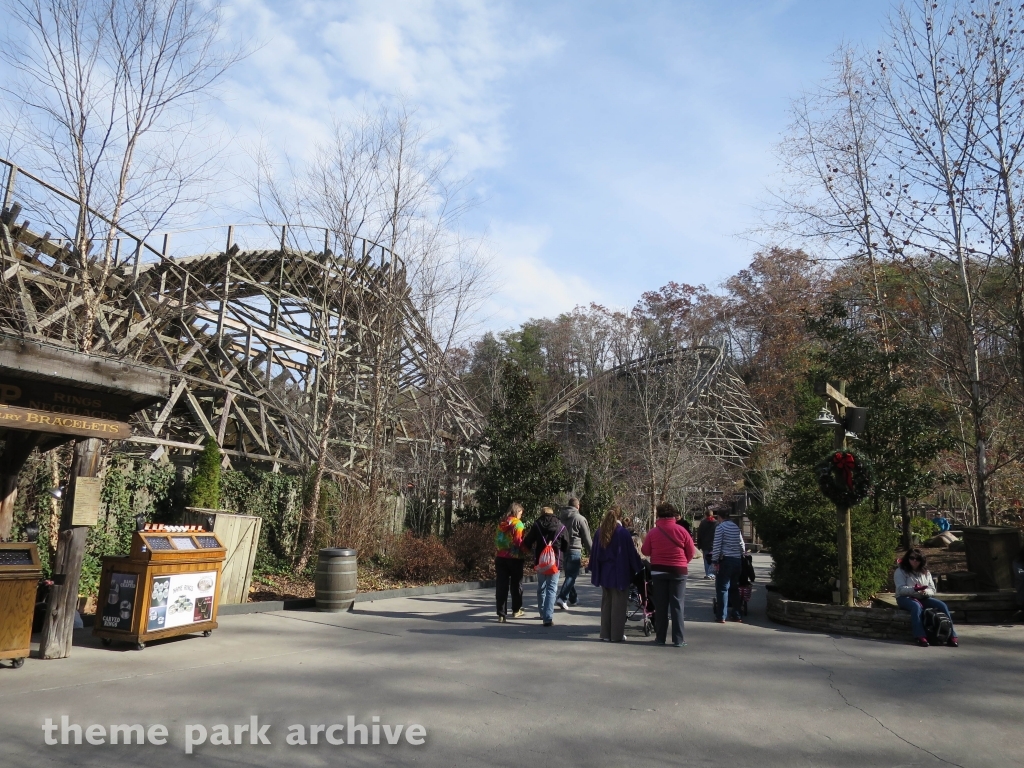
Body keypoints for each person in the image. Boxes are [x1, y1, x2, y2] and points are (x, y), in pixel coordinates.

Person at [641, 502, 696, 647]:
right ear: (673, 515)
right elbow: (691, 551)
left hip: (658, 570)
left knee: (661, 605)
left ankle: (660, 638)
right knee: (677, 605)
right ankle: (678, 639)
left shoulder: (653, 532)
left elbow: (645, 551)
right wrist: (683, 562)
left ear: (659, 515)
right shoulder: (681, 530)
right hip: (678, 570)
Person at [589, 507, 642, 642]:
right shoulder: (623, 533)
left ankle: (605, 633)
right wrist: (639, 567)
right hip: (620, 572)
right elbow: (631, 554)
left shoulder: (599, 532)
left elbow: (594, 553)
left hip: (604, 573)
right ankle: (616, 635)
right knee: (619, 605)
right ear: (620, 517)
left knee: (606, 603)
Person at [895, 548, 959, 647]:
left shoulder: (925, 572)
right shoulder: (901, 571)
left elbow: (932, 589)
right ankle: (920, 636)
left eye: (918, 559)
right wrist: (914, 589)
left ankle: (951, 635)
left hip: (922, 597)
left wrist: (925, 592)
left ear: (922, 560)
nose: (914, 561)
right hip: (905, 598)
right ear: (907, 558)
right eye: (912, 558)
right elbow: (900, 590)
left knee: (942, 605)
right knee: (916, 607)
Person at [522, 506, 569, 626]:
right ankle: (548, 617)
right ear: (552, 514)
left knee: (541, 586)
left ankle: (542, 612)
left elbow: (528, 541)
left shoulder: (537, 525)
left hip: (541, 561)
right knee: (551, 589)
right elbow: (566, 544)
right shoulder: (560, 526)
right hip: (555, 562)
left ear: (542, 514)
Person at [557, 497, 593, 610]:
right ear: (578, 506)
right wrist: (592, 552)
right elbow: (587, 538)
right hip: (575, 549)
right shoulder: (580, 519)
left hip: (564, 549)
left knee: (569, 575)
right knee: (572, 576)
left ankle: (573, 598)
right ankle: (562, 598)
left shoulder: (561, 518)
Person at [494, 502, 527, 623]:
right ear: (516, 512)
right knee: (516, 584)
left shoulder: (502, 523)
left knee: (501, 585)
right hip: (514, 557)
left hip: (501, 557)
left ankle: (501, 614)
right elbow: (518, 542)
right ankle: (516, 609)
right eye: (520, 513)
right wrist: (525, 550)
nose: (521, 516)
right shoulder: (518, 524)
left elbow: (497, 540)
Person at [712, 510, 746, 623]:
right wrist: (741, 553)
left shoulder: (720, 528)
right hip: (737, 560)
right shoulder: (736, 527)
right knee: (734, 587)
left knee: (722, 588)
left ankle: (721, 616)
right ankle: (736, 614)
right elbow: (742, 545)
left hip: (725, 560)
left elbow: (717, 545)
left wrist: (714, 560)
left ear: (719, 517)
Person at [696, 510, 718, 579]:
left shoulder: (703, 523)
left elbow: (699, 534)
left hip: (705, 544)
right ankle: (712, 573)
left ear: (705, 515)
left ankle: (708, 573)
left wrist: (699, 544)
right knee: (713, 559)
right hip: (714, 544)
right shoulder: (716, 523)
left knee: (706, 559)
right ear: (712, 514)